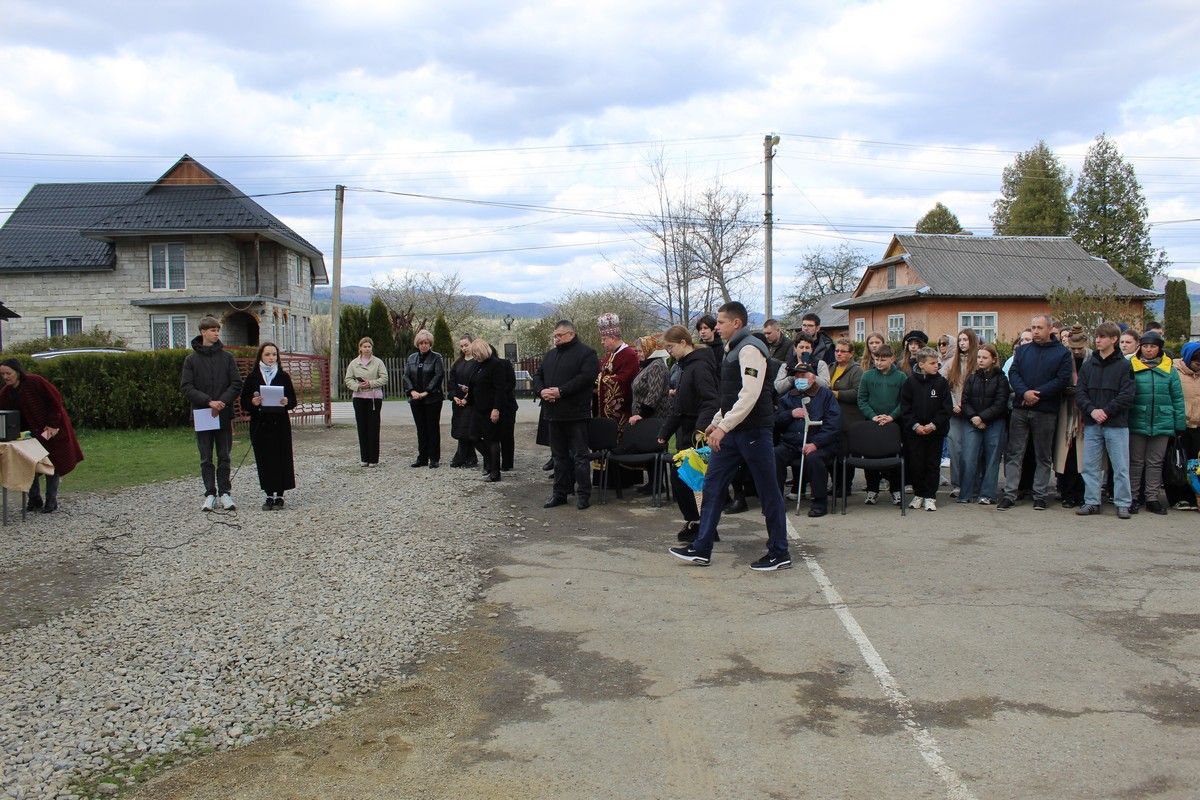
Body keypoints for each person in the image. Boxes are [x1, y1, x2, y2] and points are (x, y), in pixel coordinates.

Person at [670, 301, 792, 571]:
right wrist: (717, 422)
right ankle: (701, 548)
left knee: (768, 491)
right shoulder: (732, 350)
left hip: (754, 432)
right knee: (712, 486)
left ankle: (779, 551)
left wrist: (723, 427)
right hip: (734, 431)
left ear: (736, 323)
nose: (717, 327)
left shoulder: (750, 349)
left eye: (721, 322)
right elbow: (730, 396)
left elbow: (750, 394)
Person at [998, 315, 1073, 511]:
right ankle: (1010, 493)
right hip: (1021, 409)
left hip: (1045, 410)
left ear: (1050, 329)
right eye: (1033, 327)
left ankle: (1040, 495)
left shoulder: (1062, 353)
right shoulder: (1022, 351)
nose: (1036, 331)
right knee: (1014, 453)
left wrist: (1037, 394)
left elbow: (1062, 379)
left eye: (1039, 327)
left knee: (1043, 455)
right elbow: (1013, 374)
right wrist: (1024, 392)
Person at [656, 325, 720, 542]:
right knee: (681, 480)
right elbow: (679, 405)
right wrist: (665, 432)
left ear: (684, 342)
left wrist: (700, 431)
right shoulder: (684, 366)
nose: (669, 352)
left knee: (694, 483)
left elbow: (710, 401)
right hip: (685, 430)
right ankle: (695, 521)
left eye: (671, 347)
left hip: (697, 433)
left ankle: (703, 526)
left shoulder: (700, 366)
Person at [0, 359, 83, 513]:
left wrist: (52, 424)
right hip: (29, 435)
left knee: (53, 462)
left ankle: (51, 500)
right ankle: (34, 499)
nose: (5, 377)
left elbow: (55, 400)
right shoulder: (6, 393)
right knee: (29, 463)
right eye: (3, 374)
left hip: (51, 429)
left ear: (17, 372)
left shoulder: (35, 382)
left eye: (8, 373)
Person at [534, 320, 600, 510]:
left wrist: (560, 391)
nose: (556, 339)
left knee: (580, 457)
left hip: (576, 414)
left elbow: (586, 378)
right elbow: (538, 376)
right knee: (558, 457)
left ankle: (583, 494)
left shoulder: (586, 354)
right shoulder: (550, 355)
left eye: (559, 335)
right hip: (553, 414)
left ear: (571, 334)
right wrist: (542, 391)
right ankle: (560, 493)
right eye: (554, 336)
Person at [181, 316, 243, 510]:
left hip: (223, 413)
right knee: (206, 456)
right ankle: (210, 493)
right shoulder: (191, 360)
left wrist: (222, 402)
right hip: (203, 413)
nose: (216, 333)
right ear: (203, 332)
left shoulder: (227, 358)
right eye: (212, 330)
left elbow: (236, 384)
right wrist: (208, 401)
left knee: (224, 455)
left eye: (218, 330)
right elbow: (187, 387)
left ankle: (225, 492)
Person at [1074, 322, 1135, 519]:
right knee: (1090, 466)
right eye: (1097, 336)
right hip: (1093, 424)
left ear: (1114, 340)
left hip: (1116, 424)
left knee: (1120, 467)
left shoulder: (1124, 365)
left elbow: (1127, 395)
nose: (1097, 340)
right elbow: (1080, 392)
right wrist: (1092, 411)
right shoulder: (1088, 364)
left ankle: (1123, 503)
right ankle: (1092, 501)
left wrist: (1105, 412)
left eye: (1102, 337)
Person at [1128, 330, 1187, 515]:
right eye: (1145, 346)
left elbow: (1177, 398)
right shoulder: (1131, 366)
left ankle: (1152, 498)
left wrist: (1179, 425)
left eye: (1152, 346)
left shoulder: (1169, 369)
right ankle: (1133, 497)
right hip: (1137, 419)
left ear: (1159, 348)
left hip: (1163, 421)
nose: (1148, 350)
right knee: (1135, 462)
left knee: (1155, 462)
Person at [774, 362, 841, 517]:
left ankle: (819, 501)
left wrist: (816, 443)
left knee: (813, 459)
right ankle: (776, 500)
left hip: (818, 444)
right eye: (796, 376)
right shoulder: (789, 397)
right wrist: (790, 414)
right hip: (792, 443)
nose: (799, 379)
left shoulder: (825, 395)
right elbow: (776, 421)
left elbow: (834, 424)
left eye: (803, 376)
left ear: (812, 378)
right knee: (775, 455)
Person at [239, 342, 297, 510]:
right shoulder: (253, 377)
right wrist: (253, 402)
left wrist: (287, 402)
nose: (271, 358)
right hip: (260, 423)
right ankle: (268, 494)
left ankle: (279, 494)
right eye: (267, 355)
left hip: (279, 423)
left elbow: (293, 400)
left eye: (274, 354)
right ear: (261, 356)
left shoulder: (283, 376)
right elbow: (244, 401)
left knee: (281, 457)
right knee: (264, 458)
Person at [900, 347, 953, 510]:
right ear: (921, 364)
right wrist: (916, 426)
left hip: (935, 432)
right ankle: (918, 494)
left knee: (932, 463)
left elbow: (946, 408)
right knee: (916, 464)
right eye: (932, 363)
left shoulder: (941, 382)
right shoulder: (909, 382)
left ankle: (930, 496)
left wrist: (932, 425)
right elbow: (905, 408)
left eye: (937, 362)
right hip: (914, 432)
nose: (936, 365)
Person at [959, 344, 1010, 504]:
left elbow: (1001, 402)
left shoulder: (1001, 379)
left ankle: (987, 494)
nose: (980, 360)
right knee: (968, 457)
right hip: (972, 421)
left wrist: (983, 418)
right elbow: (965, 400)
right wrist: (974, 417)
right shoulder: (972, 377)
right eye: (979, 357)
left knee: (992, 458)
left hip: (995, 422)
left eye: (984, 357)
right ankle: (966, 494)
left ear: (993, 359)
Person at [856, 344, 907, 505]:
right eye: (876, 359)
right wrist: (873, 416)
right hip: (873, 422)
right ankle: (872, 490)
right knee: (870, 456)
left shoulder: (901, 377)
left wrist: (892, 416)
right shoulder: (867, 376)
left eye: (883, 359)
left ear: (892, 358)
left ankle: (896, 490)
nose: (879, 362)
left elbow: (904, 402)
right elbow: (862, 400)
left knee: (895, 457)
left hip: (894, 424)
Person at [595, 313, 640, 488]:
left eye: (604, 338)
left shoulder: (628, 353)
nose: (602, 342)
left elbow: (626, 378)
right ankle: (605, 479)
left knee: (618, 439)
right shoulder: (609, 355)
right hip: (604, 409)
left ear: (613, 337)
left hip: (621, 408)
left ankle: (623, 480)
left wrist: (602, 380)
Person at [465, 338, 513, 482]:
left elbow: (500, 389)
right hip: (477, 407)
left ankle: (495, 472)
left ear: (483, 351)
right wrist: (467, 398)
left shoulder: (496, 364)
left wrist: (496, 409)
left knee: (492, 439)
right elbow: (474, 384)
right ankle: (490, 460)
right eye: (473, 354)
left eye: (476, 353)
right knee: (473, 436)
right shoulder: (477, 365)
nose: (475, 356)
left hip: (490, 408)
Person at [1053, 326, 1090, 508]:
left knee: (1084, 457)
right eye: (1073, 349)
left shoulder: (1092, 359)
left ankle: (1082, 494)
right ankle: (1066, 493)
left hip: (1086, 414)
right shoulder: (1063, 358)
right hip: (1065, 412)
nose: (1076, 352)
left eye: (1079, 349)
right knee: (1066, 456)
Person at [943, 328, 979, 498]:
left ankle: (972, 484)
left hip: (973, 413)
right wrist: (952, 403)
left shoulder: (979, 361)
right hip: (955, 413)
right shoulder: (951, 363)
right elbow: (943, 385)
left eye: (966, 340)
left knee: (971, 450)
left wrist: (967, 407)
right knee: (955, 448)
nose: (963, 343)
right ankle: (957, 484)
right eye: (960, 340)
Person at [403, 329, 445, 469]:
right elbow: (406, 376)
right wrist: (412, 391)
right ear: (417, 344)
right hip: (416, 399)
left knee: (432, 428)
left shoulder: (436, 357)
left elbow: (438, 375)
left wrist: (427, 391)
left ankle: (434, 458)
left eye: (426, 343)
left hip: (432, 399)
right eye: (421, 343)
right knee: (421, 429)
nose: (424, 345)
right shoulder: (411, 358)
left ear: (430, 343)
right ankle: (422, 457)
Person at [344, 336, 388, 468]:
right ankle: (364, 458)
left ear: (372, 348)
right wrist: (358, 386)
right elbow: (348, 380)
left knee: (373, 428)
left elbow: (384, 378)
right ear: (360, 348)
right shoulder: (353, 363)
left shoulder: (378, 362)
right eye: (364, 346)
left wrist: (371, 383)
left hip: (374, 399)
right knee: (362, 428)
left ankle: (374, 459)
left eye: (369, 346)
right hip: (359, 398)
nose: (367, 349)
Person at [829, 338, 864, 496]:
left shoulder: (857, 370)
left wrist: (837, 394)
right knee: (833, 453)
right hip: (832, 418)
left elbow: (858, 393)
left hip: (850, 419)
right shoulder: (830, 367)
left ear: (851, 354)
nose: (839, 354)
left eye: (843, 351)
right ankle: (835, 484)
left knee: (846, 454)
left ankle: (845, 486)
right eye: (837, 350)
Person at [1169, 341, 1200, 510]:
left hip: (1198, 426)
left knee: (1196, 465)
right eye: (1196, 361)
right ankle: (1178, 498)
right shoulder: (1175, 372)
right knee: (1178, 462)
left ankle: (1194, 496)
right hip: (1181, 425)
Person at [448, 335, 479, 469]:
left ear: (472, 344)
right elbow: (452, 382)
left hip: (472, 401)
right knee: (460, 427)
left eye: (466, 345)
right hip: (458, 401)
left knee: (468, 428)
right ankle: (468, 456)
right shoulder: (457, 363)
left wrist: (467, 397)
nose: (464, 348)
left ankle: (462, 457)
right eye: (461, 346)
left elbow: (478, 383)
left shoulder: (477, 362)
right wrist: (454, 396)